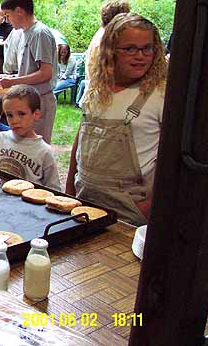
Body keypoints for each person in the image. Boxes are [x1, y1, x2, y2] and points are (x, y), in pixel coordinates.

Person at [66, 13, 167, 225]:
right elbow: (81, 139)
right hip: (84, 198)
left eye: (147, 48)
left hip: (130, 208)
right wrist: (69, 189)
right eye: (130, 49)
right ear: (111, 51)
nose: (140, 56)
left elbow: (171, 158)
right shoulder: (96, 89)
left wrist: (148, 206)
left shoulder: (160, 95)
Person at [0, 0, 58, 144]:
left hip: (40, 101)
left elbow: (45, 73)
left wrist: (13, 83)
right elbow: (29, 70)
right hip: (27, 101)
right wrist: (12, 77)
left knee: (36, 148)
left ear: (19, 11)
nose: (7, 20)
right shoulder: (24, 33)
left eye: (8, 16)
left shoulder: (40, 33)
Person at [0, 85, 60, 190]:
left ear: (36, 114)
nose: (15, 121)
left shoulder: (44, 152)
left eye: (21, 114)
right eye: (9, 115)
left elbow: (53, 189)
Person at [77, 0, 131, 108]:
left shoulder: (103, 33)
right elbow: (107, 73)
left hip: (99, 93)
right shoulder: (107, 38)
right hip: (105, 96)